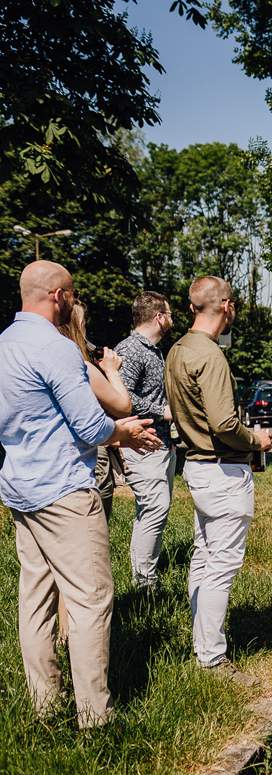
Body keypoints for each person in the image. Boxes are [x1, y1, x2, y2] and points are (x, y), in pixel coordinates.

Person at [0, 260, 160, 727]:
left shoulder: (5, 345)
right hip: (65, 490)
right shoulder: (54, 348)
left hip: (20, 487)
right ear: (57, 295)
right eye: (71, 293)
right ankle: (95, 716)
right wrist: (124, 434)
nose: (73, 301)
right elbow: (90, 424)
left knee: (35, 599)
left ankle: (44, 707)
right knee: (91, 599)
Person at [166, 276, 271, 679]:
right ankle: (211, 658)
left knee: (204, 555)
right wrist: (257, 440)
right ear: (226, 305)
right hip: (222, 469)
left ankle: (202, 639)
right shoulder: (209, 355)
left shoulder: (177, 351)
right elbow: (225, 422)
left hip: (196, 465)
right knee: (221, 565)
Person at [115, 291, 177, 590]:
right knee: (155, 507)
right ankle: (144, 584)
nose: (172, 319)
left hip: (161, 443)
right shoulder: (131, 349)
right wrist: (162, 411)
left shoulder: (154, 350)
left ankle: (146, 575)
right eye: (170, 313)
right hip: (142, 443)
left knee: (156, 509)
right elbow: (120, 398)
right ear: (159, 317)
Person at [59, 302, 132, 521]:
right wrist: (111, 371)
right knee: (99, 499)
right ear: (76, 326)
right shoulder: (81, 365)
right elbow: (123, 406)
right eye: (83, 324)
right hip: (90, 447)